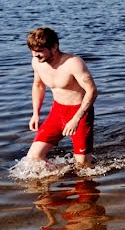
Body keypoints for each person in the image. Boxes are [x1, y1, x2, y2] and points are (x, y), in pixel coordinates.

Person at [26, 27, 98, 170]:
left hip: (80, 113)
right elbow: (38, 85)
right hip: (57, 112)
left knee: (83, 166)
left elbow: (92, 91)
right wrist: (35, 113)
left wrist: (76, 119)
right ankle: (58, 176)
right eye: (33, 51)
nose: (36, 55)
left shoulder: (73, 63)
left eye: (40, 51)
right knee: (34, 158)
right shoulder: (36, 62)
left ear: (54, 47)